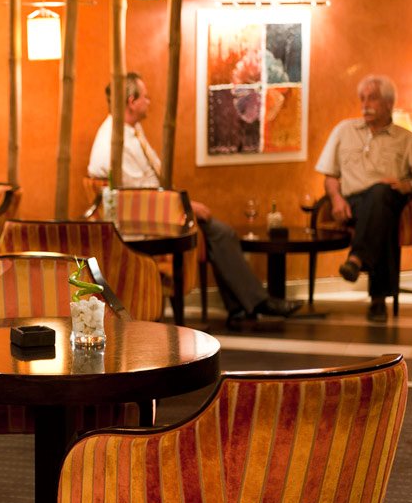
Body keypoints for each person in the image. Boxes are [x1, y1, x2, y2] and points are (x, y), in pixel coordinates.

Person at [87, 73, 302, 326]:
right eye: (145, 97)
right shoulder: (115, 141)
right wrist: (185, 207)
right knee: (221, 233)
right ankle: (257, 303)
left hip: (157, 209)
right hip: (144, 222)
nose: (149, 101)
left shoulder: (131, 130)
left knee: (219, 233)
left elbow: (151, 183)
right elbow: (138, 195)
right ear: (132, 102)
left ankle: (242, 308)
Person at [315, 75, 412, 322]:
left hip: (391, 199)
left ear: (389, 103)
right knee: (381, 216)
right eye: (362, 98)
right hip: (352, 205)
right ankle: (378, 300)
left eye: (372, 98)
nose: (365, 104)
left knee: (381, 195)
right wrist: (336, 199)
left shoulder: (407, 139)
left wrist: (409, 185)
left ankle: (357, 258)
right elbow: (330, 176)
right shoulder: (344, 130)